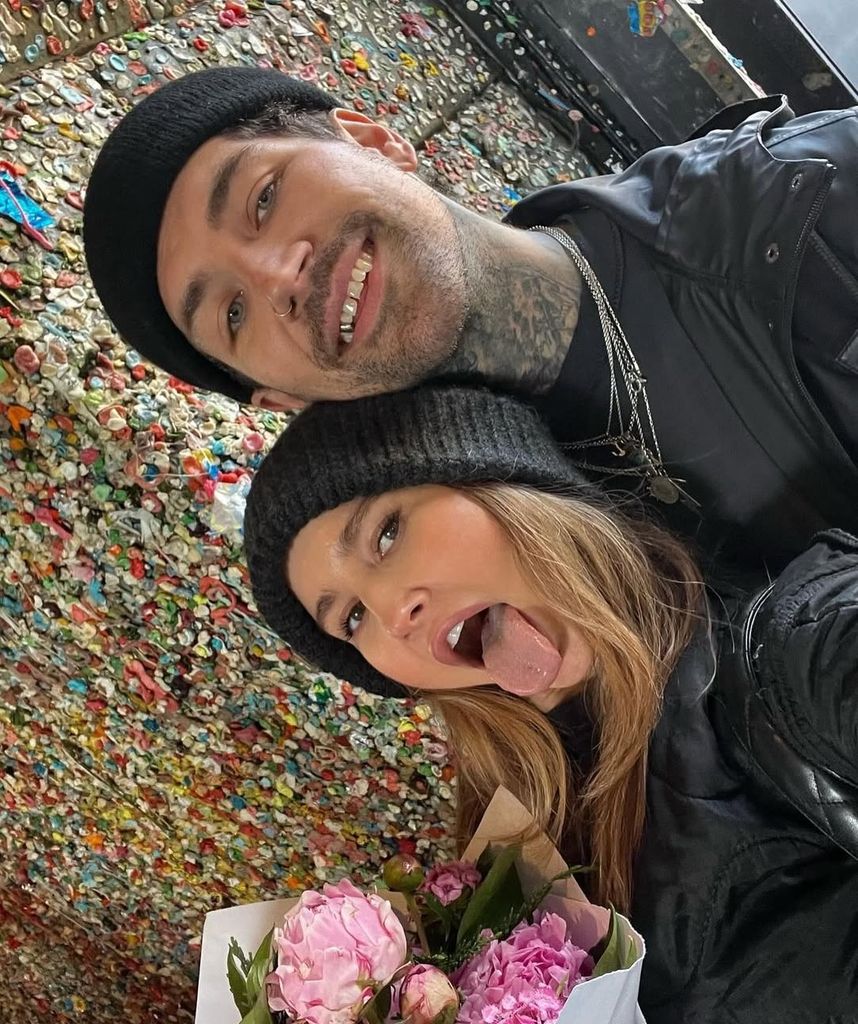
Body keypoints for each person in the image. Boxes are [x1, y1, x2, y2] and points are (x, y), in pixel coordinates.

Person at [242, 384, 858, 1024]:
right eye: (351, 618)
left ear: (501, 477)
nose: (393, 616)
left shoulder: (795, 643)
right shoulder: (510, 858)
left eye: (387, 532)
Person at [83, 67, 858, 568]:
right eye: (231, 313)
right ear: (281, 399)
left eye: (263, 198)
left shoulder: (802, 198)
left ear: (373, 141)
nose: (276, 276)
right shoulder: (491, 581)